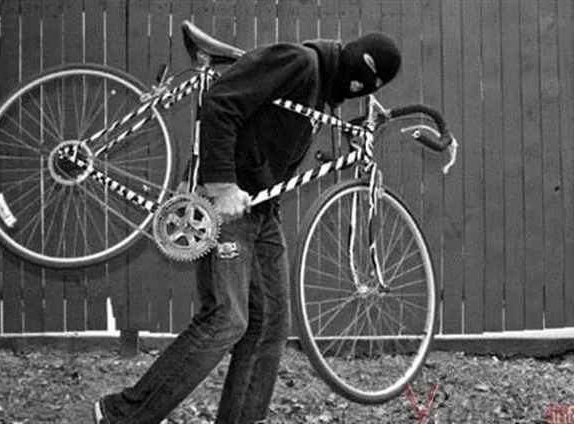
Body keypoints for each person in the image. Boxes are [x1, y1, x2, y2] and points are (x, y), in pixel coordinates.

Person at [93, 29, 401, 424]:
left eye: (371, 84)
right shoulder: (299, 62)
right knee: (227, 317)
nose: (360, 86)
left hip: (261, 211)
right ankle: (120, 415)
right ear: (354, 58)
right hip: (226, 203)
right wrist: (221, 185)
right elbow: (220, 103)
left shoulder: (320, 90)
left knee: (270, 323)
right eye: (363, 74)